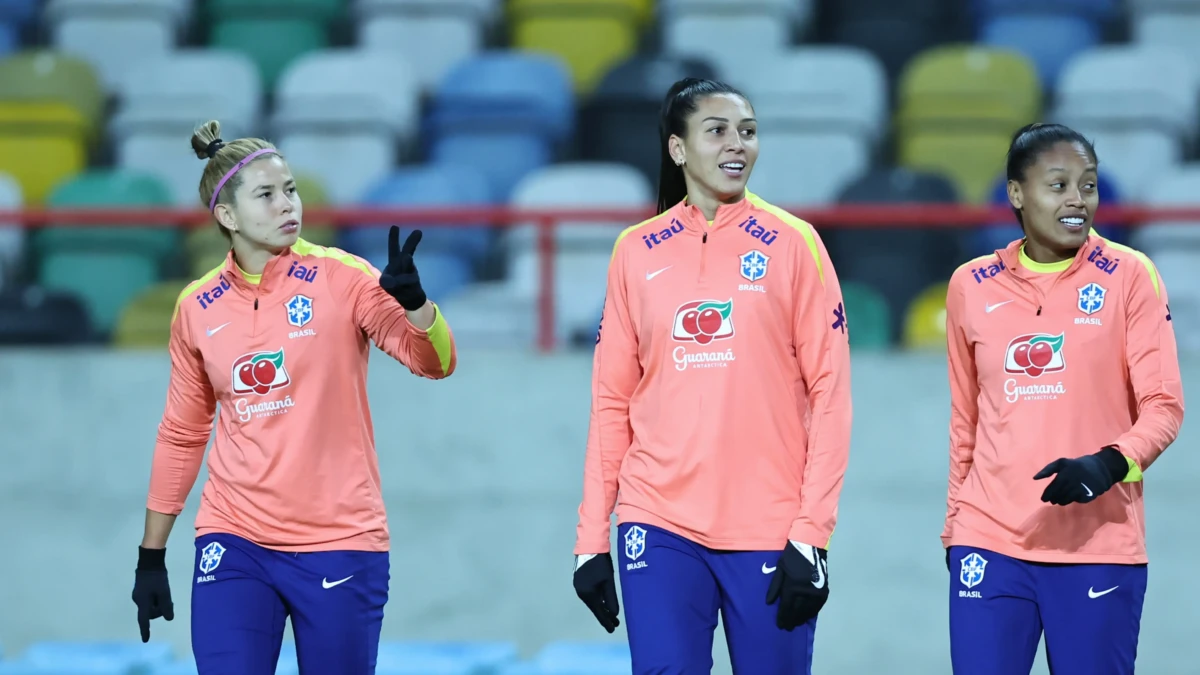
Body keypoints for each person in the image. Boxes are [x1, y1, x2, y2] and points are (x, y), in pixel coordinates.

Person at [130, 120, 457, 674]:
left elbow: (435, 363)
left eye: (290, 189)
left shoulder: (343, 277)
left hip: (340, 540)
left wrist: (417, 306)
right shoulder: (195, 307)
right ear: (227, 216)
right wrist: (151, 555)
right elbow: (182, 434)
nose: (287, 204)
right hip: (234, 540)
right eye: (266, 194)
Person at [571, 77, 853, 674]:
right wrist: (591, 539)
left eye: (747, 132)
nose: (737, 144)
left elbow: (831, 396)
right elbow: (611, 402)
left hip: (769, 526)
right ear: (677, 148)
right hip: (658, 521)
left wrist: (811, 534)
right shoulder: (635, 251)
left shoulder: (795, 244)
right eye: (717, 130)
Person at [942, 122, 1184, 675]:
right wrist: (955, 530)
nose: (1078, 199)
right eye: (1058, 185)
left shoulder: (1131, 275)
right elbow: (966, 422)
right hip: (988, 542)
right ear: (1016, 193)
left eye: (1088, 185)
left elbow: (1164, 405)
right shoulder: (969, 285)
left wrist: (1108, 464)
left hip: (1097, 548)